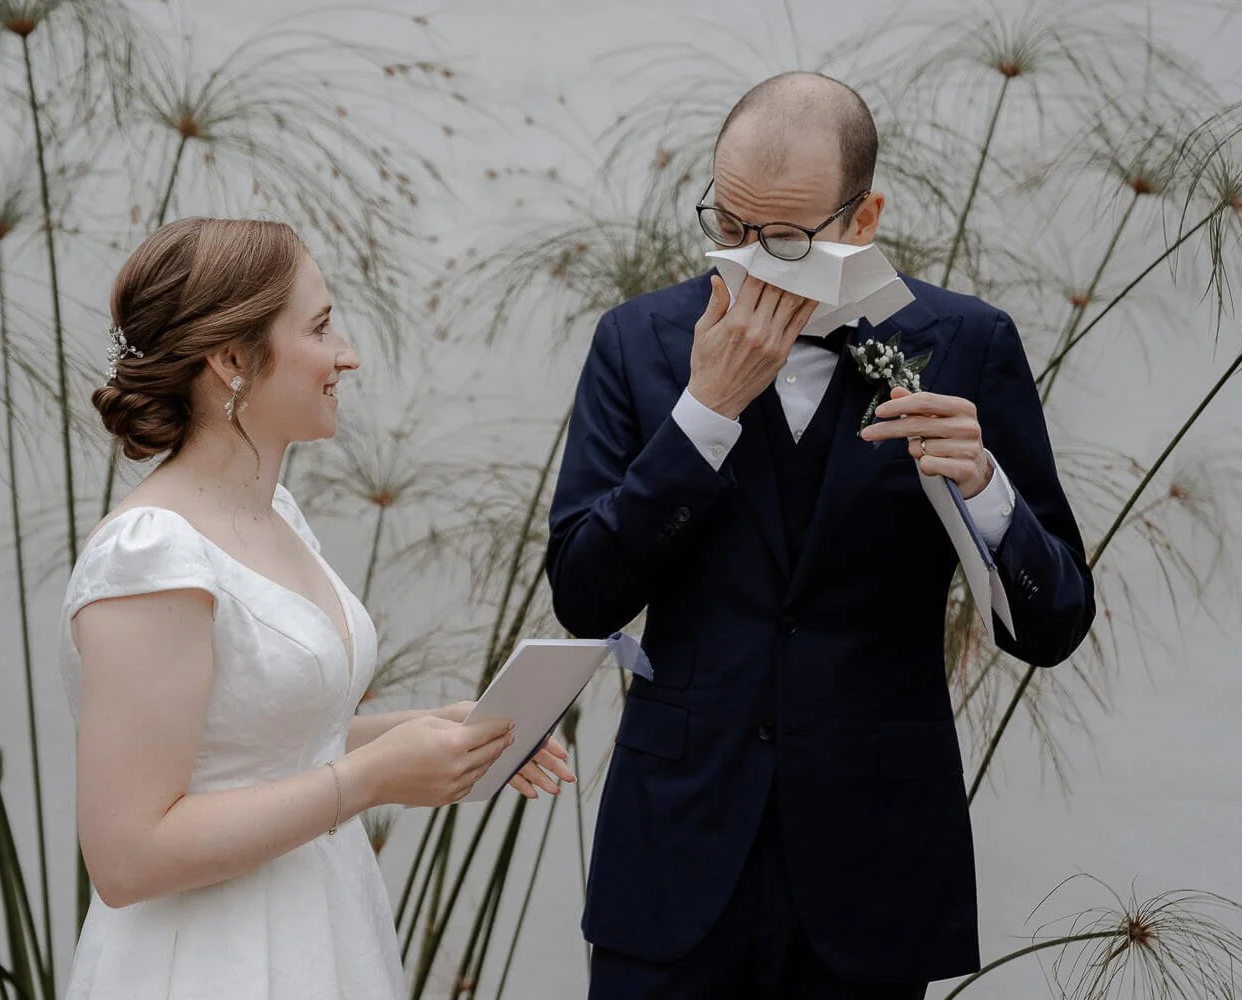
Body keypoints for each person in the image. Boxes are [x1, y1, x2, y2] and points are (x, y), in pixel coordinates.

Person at [546, 73, 1095, 999]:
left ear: (863, 213)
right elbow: (584, 593)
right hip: (677, 843)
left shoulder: (966, 342)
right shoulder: (637, 340)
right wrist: (704, 415)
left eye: (788, 237)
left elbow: (1054, 625)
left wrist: (986, 487)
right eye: (729, 227)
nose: (755, 262)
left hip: (873, 854)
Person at [59, 217, 573, 1000]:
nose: (348, 355)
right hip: (208, 960)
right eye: (323, 326)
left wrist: (435, 730)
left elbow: (263, 742)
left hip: (322, 926)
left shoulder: (277, 516)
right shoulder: (151, 557)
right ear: (232, 359)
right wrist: (368, 781)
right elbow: (129, 856)